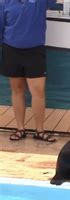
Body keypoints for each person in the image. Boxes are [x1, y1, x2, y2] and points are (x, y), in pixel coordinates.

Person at [1, 0, 57, 142]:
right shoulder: (4, 2)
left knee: (38, 92)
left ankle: (40, 131)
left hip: (35, 50)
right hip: (11, 49)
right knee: (17, 90)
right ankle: (20, 129)